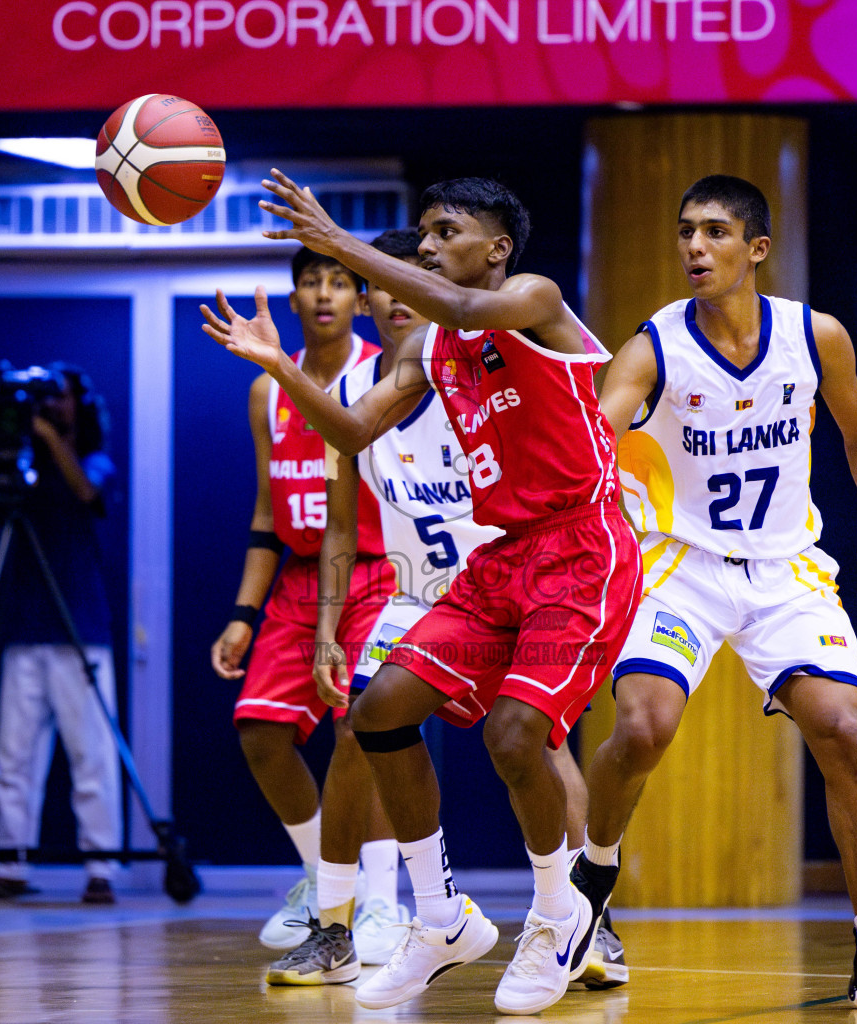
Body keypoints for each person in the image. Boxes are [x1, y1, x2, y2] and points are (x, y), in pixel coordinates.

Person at [204, 171, 641, 1016]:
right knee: (378, 712)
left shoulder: (531, 297)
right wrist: (279, 370)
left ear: (497, 246)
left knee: (519, 736)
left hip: (583, 549)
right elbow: (352, 429)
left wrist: (335, 242)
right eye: (424, 234)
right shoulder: (427, 351)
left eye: (446, 232)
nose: (431, 245)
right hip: (502, 559)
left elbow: (469, 310)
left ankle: (560, 916)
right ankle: (441, 920)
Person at [573, 174, 857, 1011]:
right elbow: (601, 430)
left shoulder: (817, 338)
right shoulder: (655, 347)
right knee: (641, 728)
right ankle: (590, 879)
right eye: (684, 232)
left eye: (713, 232)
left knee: (844, 730)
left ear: (757, 249)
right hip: (680, 566)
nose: (694, 248)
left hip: (786, 570)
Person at [209, 248, 397, 951]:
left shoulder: (382, 373)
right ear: (292, 301)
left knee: (361, 732)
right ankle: (324, 879)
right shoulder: (268, 389)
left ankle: (379, 902)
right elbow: (267, 510)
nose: (324, 293)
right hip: (297, 576)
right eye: (311, 282)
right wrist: (241, 614)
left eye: (339, 281)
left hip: (377, 571)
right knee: (259, 731)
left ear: (358, 297)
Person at [0, 363, 123, 905]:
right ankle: (9, 864)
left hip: (81, 628)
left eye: (58, 398)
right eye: (43, 400)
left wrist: (52, 441)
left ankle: (101, 865)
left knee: (92, 756)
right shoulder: (23, 468)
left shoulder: (93, 462)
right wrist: (5, 451)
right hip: (24, 628)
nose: (49, 408)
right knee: (12, 756)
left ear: (79, 406)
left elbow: (86, 492)